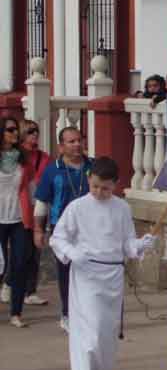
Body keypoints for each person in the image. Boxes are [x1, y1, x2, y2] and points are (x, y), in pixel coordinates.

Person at [49, 157, 156, 370]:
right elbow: (58, 238)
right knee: (90, 333)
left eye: (105, 188)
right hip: (86, 274)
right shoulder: (77, 207)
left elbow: (126, 243)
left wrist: (140, 245)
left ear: (115, 185)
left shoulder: (121, 208)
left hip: (112, 276)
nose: (99, 192)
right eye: (95, 186)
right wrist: (72, 253)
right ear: (89, 180)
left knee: (107, 335)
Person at [33, 127, 93, 333]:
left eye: (79, 140)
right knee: (66, 272)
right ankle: (67, 314)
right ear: (61, 146)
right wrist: (38, 230)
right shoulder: (53, 170)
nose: (77, 144)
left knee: (90, 272)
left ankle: (87, 313)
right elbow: (42, 202)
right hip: (62, 230)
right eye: (71, 141)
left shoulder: (93, 166)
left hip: (90, 229)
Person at [8, 119, 49, 308]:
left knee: (35, 251)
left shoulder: (43, 157)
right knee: (20, 252)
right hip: (18, 208)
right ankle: (9, 283)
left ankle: (30, 291)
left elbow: (46, 178)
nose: (35, 135)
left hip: (38, 207)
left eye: (36, 131)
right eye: (31, 131)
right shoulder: (15, 156)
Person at [0, 117, 29, 328]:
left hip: (18, 218)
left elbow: (30, 187)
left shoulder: (22, 157)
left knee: (20, 265)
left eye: (16, 129)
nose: (15, 133)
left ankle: (16, 313)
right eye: (10, 129)